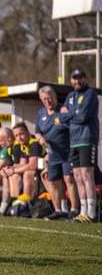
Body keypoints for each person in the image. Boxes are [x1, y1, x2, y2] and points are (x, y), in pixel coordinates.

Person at [35, 85, 79, 220]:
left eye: (49, 98)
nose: (47, 102)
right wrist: (40, 138)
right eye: (44, 99)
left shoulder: (63, 110)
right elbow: (37, 131)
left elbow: (73, 128)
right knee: (54, 181)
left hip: (67, 152)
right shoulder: (41, 113)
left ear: (54, 97)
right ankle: (60, 210)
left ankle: (74, 209)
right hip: (52, 153)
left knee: (68, 179)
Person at [60, 69, 99, 222]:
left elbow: (83, 116)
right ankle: (82, 211)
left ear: (84, 79)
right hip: (73, 140)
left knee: (86, 174)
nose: (76, 81)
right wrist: (72, 113)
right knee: (76, 176)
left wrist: (69, 114)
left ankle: (91, 212)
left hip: (87, 138)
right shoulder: (70, 96)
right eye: (74, 79)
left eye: (79, 78)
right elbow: (61, 117)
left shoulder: (90, 94)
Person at [3, 123, 43, 200]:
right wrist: (9, 169)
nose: (19, 138)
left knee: (27, 173)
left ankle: (26, 202)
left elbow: (33, 165)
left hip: (45, 169)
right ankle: (15, 202)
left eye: (21, 134)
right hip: (36, 169)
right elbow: (22, 164)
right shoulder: (23, 145)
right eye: (16, 136)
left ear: (28, 132)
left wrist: (13, 170)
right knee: (14, 176)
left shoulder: (34, 143)